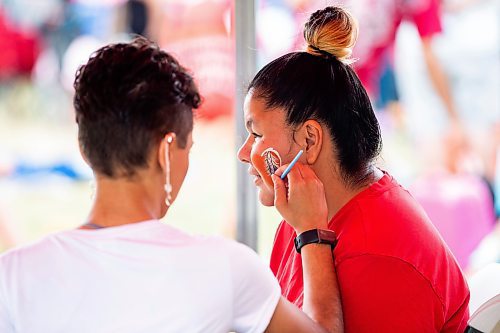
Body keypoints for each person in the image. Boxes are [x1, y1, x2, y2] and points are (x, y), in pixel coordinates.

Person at [0, 37, 343, 332]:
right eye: (187, 148)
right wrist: (312, 231)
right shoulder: (224, 267)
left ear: (84, 147)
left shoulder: (12, 276)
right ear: (166, 152)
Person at [237, 6, 470, 332]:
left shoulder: (381, 258)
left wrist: (311, 237)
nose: (244, 153)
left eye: (257, 134)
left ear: (309, 139)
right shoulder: (305, 213)